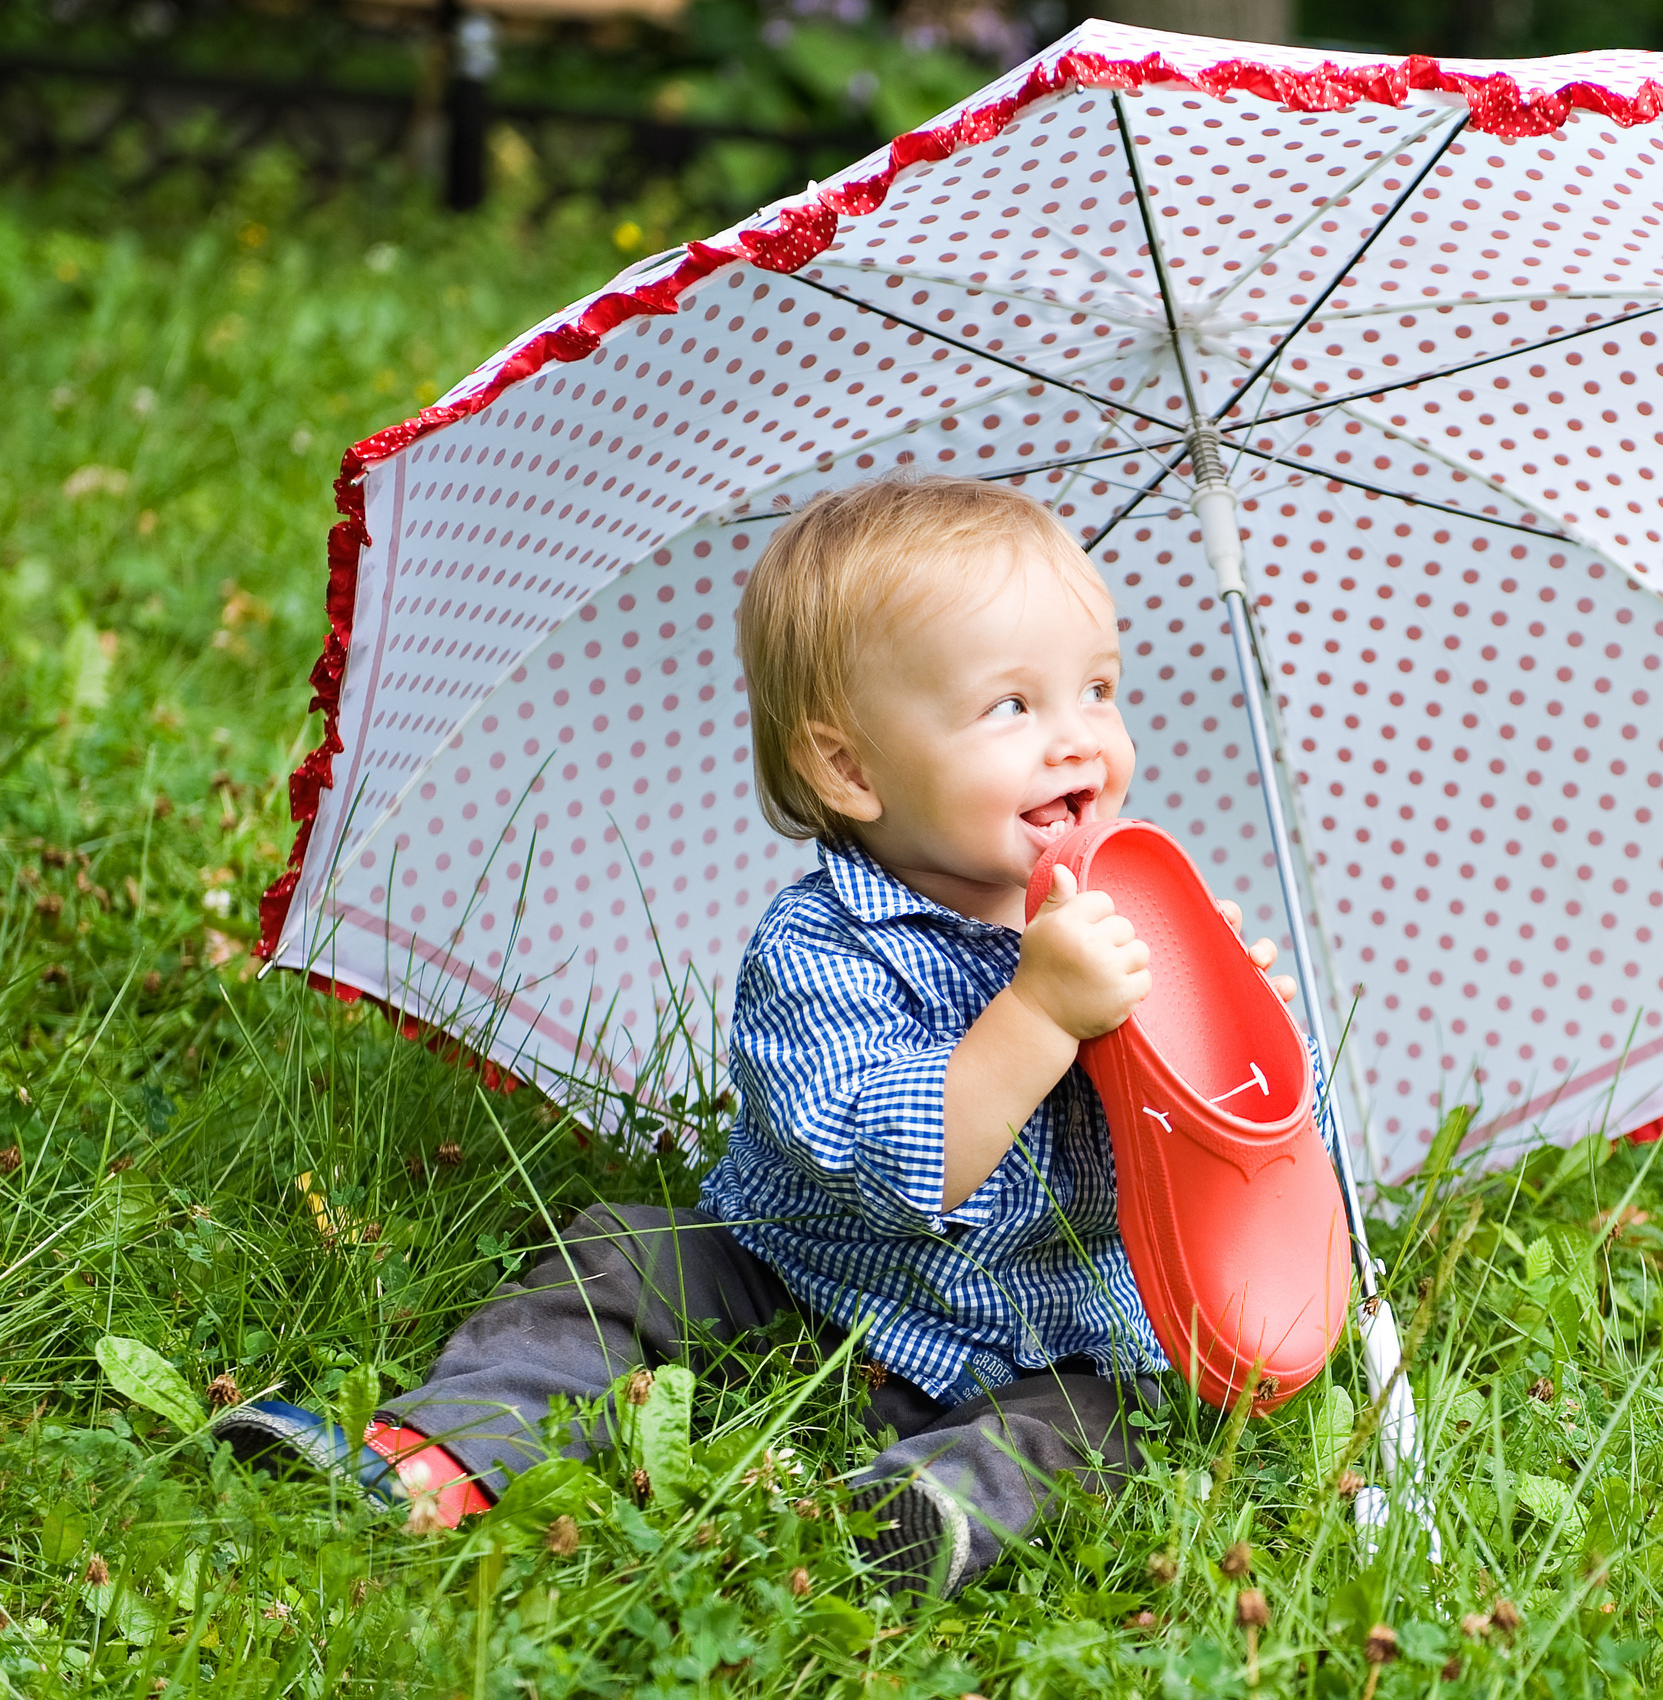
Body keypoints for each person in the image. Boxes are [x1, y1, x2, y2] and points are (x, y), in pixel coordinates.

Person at [216, 475, 1303, 1596]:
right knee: (619, 1258)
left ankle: (918, 1512)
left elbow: (1199, 1176)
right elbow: (900, 1170)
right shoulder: (819, 943)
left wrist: (1207, 1017)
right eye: (1011, 708)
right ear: (850, 769)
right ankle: (449, 1451)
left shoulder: (1126, 922)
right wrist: (1037, 1014)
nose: (1077, 740)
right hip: (801, 1269)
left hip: (1046, 1332)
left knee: (1100, 1422)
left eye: (1098, 689)